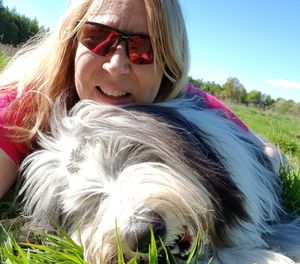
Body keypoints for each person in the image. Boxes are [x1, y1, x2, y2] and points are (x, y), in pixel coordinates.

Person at [0, 0, 277, 199]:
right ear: (72, 42)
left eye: (145, 48)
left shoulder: (186, 99)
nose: (117, 65)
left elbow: (267, 154)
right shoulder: (24, 107)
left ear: (169, 64)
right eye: (97, 37)